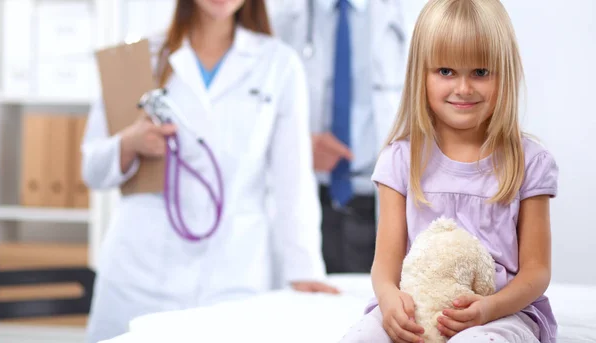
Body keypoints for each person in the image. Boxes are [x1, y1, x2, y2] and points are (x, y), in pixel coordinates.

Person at [82, 1, 339, 342]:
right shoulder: (139, 57)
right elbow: (92, 169)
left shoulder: (278, 64)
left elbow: (293, 180)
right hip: (140, 274)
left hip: (235, 274)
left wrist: (305, 269)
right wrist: (129, 143)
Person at [339, 0, 559, 342]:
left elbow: (536, 271)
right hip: (415, 308)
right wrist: (388, 298)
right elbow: (386, 264)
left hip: (502, 313)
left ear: (505, 72)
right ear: (420, 75)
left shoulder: (530, 161)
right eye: (446, 71)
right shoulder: (400, 159)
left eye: (481, 72)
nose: (463, 88)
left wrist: (489, 308)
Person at [265, 0, 412, 274]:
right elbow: (251, 121)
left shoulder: (410, 15)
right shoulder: (281, 19)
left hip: (383, 203)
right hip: (312, 202)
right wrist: (301, 145)